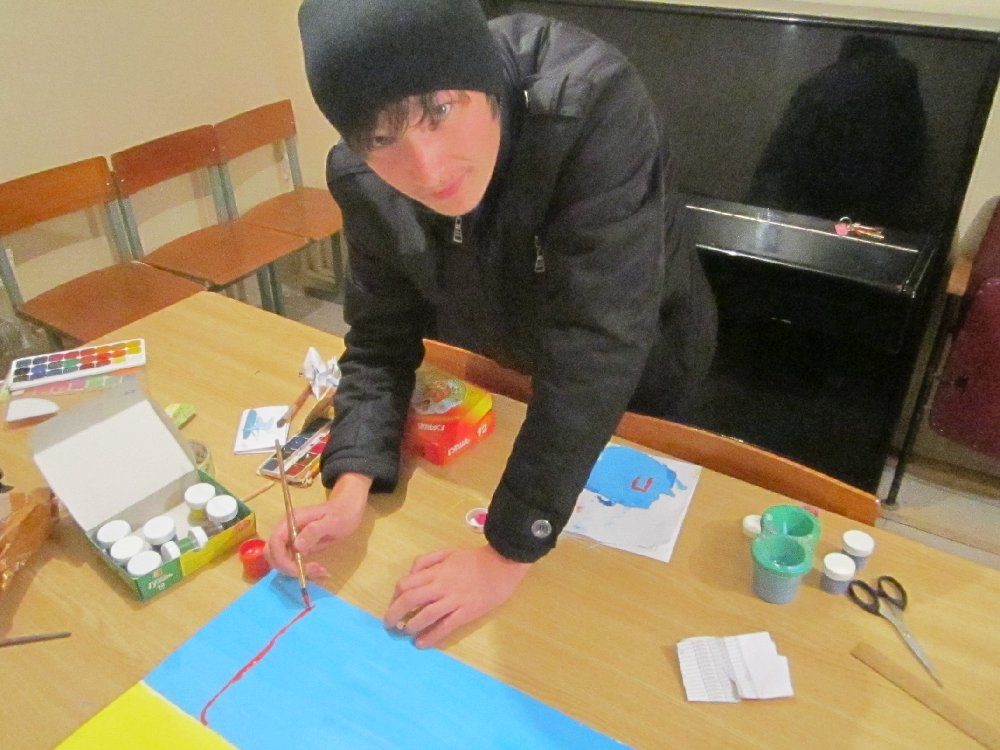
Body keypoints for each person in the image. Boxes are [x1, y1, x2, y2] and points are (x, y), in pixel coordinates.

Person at [266, 0, 717, 648]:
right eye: (383, 138)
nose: (428, 170)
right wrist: (350, 482)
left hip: (643, 356)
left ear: (483, 80)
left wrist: (507, 551)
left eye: (440, 111)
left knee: (633, 594)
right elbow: (379, 336)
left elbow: (598, 343)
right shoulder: (361, 176)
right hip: (514, 363)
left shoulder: (589, 101)